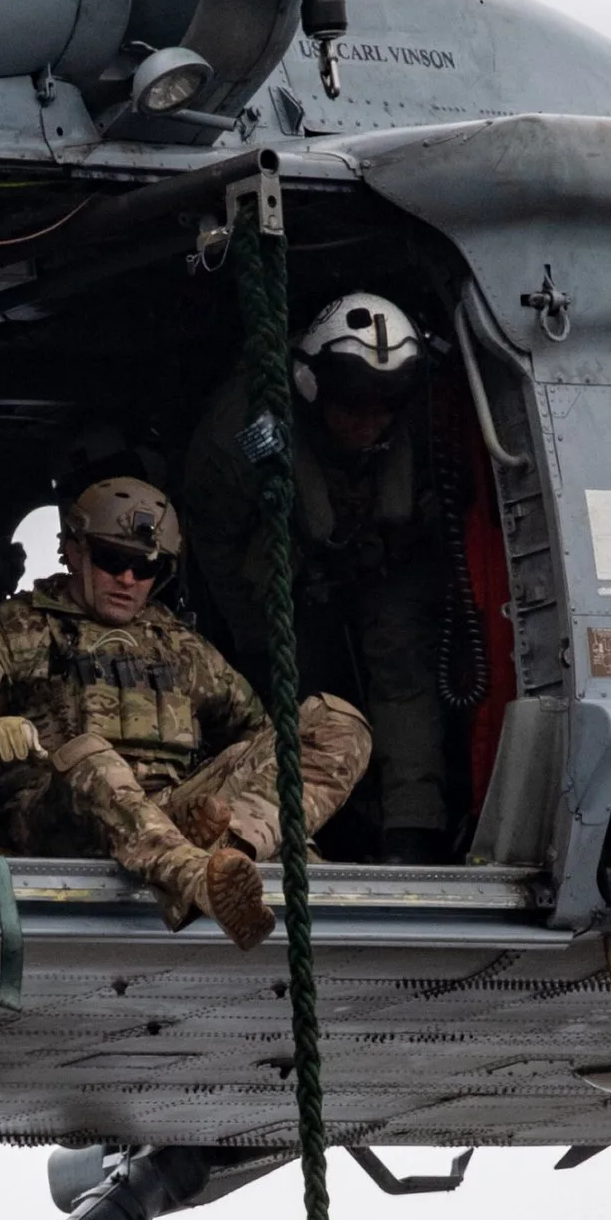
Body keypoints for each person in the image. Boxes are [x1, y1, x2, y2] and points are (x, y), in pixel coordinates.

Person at [0, 475, 371, 951]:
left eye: (145, 567)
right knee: (91, 755)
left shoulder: (177, 644)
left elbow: (259, 735)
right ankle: (198, 880)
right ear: (74, 552)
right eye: (111, 559)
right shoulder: (14, 629)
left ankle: (233, 854)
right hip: (63, 824)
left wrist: (236, 803)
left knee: (333, 721)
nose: (127, 579)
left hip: (172, 814)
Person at [182, 292, 459, 860]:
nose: (370, 423)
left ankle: (413, 828)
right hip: (282, 577)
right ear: (313, 387)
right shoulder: (243, 431)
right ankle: (298, 822)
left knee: (403, 660)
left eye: (384, 408)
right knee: (294, 689)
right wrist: (252, 633)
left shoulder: (419, 417)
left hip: (382, 556)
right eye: (355, 406)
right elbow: (212, 539)